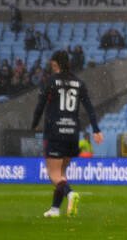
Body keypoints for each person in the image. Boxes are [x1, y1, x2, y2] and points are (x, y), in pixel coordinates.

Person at [31, 50, 101, 217]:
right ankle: (55, 208)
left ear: (55, 63)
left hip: (55, 132)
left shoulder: (51, 82)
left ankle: (70, 194)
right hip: (72, 133)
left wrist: (34, 124)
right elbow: (90, 108)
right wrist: (96, 130)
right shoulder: (79, 83)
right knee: (62, 173)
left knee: (53, 174)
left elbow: (40, 106)